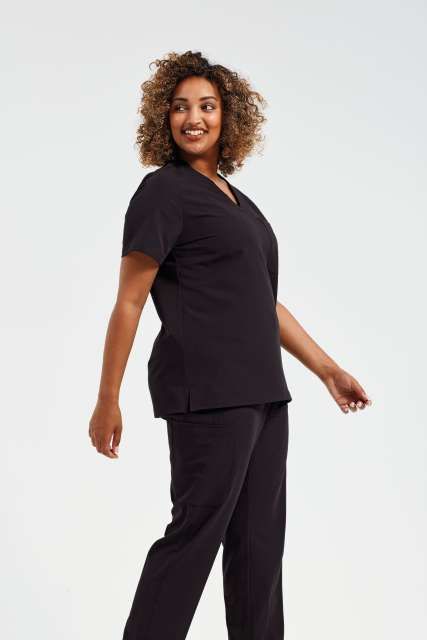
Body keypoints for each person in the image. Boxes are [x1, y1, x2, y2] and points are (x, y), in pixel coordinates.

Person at [88, 50, 372, 640]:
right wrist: (107, 398)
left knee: (259, 551)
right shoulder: (163, 192)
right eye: (180, 107)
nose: (193, 118)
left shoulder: (239, 202)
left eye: (207, 106)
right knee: (194, 538)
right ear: (163, 117)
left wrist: (327, 370)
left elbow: (263, 303)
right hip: (208, 391)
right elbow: (129, 302)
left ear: (228, 116)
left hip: (265, 393)